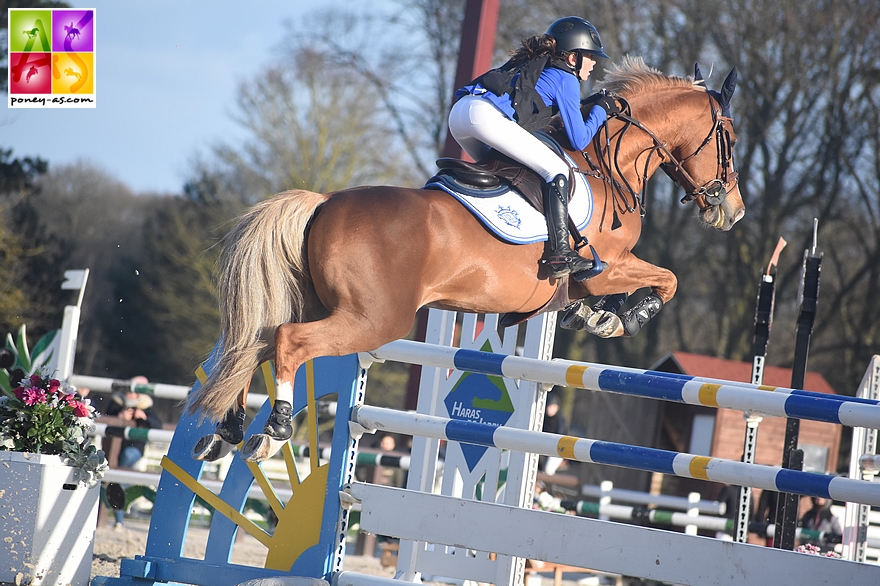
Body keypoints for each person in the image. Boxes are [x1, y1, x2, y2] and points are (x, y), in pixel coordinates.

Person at [448, 16, 618, 281]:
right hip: (484, 118)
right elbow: (578, 140)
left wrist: (589, 103)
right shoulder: (566, 78)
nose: (595, 63)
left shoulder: (541, 67)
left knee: (505, 170)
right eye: (590, 56)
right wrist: (601, 111)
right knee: (557, 170)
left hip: (461, 114)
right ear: (573, 58)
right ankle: (561, 253)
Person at [105, 376, 163, 529]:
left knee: (118, 478)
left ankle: (119, 519)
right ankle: (118, 519)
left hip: (134, 447)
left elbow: (157, 426)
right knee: (119, 481)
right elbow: (104, 418)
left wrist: (143, 418)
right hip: (112, 448)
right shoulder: (117, 402)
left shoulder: (145, 406)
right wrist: (119, 417)